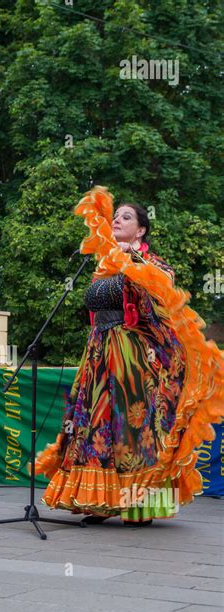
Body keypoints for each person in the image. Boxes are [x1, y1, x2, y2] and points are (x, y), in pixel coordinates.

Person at [35, 186, 224, 527]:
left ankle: (140, 505)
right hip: (100, 352)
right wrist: (114, 260)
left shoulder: (152, 264)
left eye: (126, 217)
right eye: (115, 217)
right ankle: (99, 502)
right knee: (95, 425)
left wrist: (130, 260)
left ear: (141, 230)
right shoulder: (103, 265)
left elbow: (163, 298)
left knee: (134, 428)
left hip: (135, 356)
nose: (117, 221)